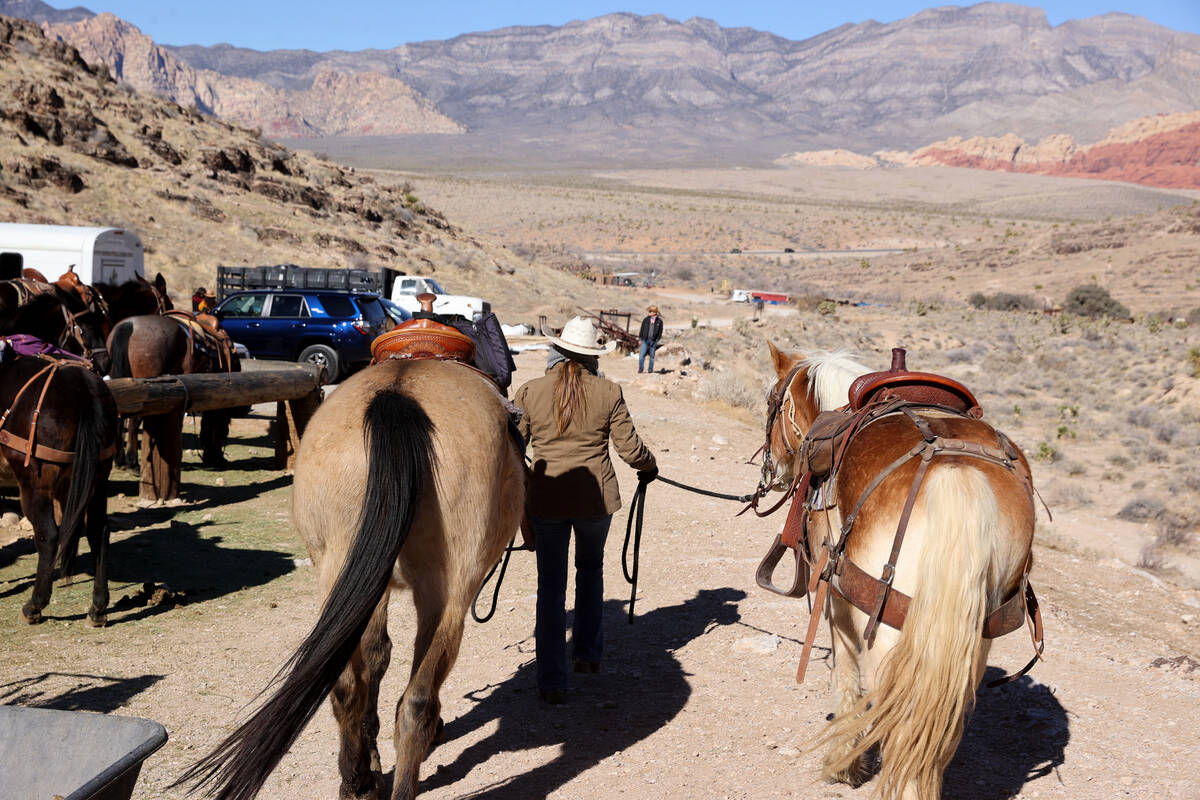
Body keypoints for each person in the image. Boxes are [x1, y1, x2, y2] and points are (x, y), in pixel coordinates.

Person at [515, 316, 658, 705]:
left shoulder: (530, 391)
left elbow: (514, 447)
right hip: (596, 500)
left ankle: (551, 681)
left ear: (556, 351)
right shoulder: (608, 391)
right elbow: (631, 450)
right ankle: (587, 656)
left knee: (550, 586)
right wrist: (650, 466)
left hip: (546, 500)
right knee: (590, 571)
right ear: (592, 355)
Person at [637, 305, 663, 374]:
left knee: (652, 356)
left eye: (650, 311)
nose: (649, 313)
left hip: (653, 341)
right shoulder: (645, 319)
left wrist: (657, 340)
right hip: (644, 340)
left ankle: (650, 370)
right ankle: (640, 369)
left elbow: (660, 332)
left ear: (654, 312)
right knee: (641, 355)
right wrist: (640, 339)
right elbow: (642, 329)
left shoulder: (659, 322)